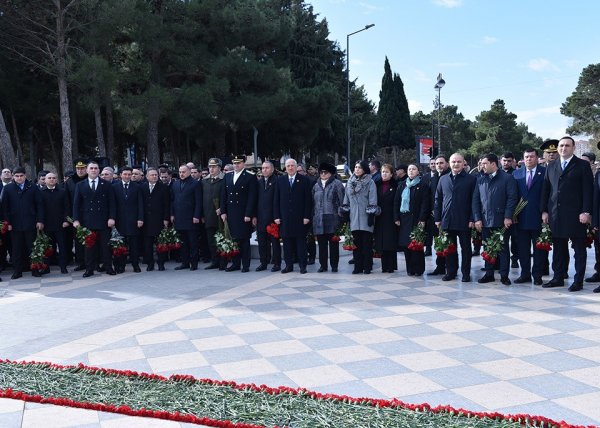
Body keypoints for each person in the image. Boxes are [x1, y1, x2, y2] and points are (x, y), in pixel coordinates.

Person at [542, 136, 593, 292]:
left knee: (579, 250)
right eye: (561, 146)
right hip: (556, 215)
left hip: (576, 215)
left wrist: (586, 211)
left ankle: (578, 281)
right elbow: (546, 190)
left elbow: (588, 191)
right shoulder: (551, 166)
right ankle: (558, 277)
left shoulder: (582, 165)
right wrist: (544, 211)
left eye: (567, 146)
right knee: (559, 249)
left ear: (573, 148)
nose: (563, 148)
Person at [473, 153, 518, 285]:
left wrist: (508, 216)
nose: (482, 166)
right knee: (487, 248)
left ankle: (504, 275)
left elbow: (512, 198)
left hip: (501, 221)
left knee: (503, 249)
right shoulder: (480, 179)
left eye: (485, 163)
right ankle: (489, 273)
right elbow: (475, 200)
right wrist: (477, 218)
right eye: (481, 164)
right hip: (485, 221)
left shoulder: (507, 178)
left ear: (493, 164)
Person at [434, 153, 477, 282]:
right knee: (450, 248)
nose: (456, 164)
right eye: (453, 162)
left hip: (464, 221)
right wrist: (437, 218)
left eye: (459, 162)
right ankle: (451, 272)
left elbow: (474, 201)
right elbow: (438, 199)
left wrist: (472, 219)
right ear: (449, 163)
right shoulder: (443, 179)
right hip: (447, 220)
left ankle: (465, 273)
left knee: (466, 249)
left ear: (463, 163)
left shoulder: (471, 179)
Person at [72, 162, 116, 278]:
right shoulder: (80, 185)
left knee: (105, 246)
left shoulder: (106, 184)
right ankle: (89, 269)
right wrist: (76, 220)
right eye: (91, 168)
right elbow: (76, 205)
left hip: (103, 220)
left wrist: (112, 218)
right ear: (87, 170)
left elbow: (112, 203)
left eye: (96, 168)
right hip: (87, 221)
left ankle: (108, 267)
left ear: (98, 170)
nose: (93, 170)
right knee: (89, 247)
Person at [1, 166, 44, 279]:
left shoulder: (33, 187)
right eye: (17, 176)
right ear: (13, 177)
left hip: (31, 223)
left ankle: (35, 269)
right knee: (16, 249)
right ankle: (17, 271)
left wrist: (40, 220)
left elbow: (39, 205)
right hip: (14, 225)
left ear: (25, 176)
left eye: (21, 176)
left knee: (32, 247)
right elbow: (5, 207)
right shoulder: (8, 188)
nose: (19, 178)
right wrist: (8, 223)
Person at [513, 148, 546, 285]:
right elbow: (512, 196)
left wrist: (545, 211)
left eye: (532, 156)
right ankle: (524, 274)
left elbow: (547, 194)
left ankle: (537, 275)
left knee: (539, 249)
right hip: (520, 218)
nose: (529, 159)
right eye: (526, 157)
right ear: (523, 158)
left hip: (538, 217)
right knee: (522, 249)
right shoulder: (516, 174)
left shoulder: (544, 172)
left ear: (537, 158)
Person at [274, 158, 312, 274]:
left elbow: (308, 200)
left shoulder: (304, 180)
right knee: (287, 244)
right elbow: (276, 200)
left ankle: (302, 266)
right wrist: (276, 216)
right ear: (285, 168)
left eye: (292, 165)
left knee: (300, 243)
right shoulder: (280, 180)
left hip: (300, 218)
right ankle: (288, 266)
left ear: (296, 167)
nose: (290, 168)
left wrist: (307, 216)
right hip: (285, 218)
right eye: (288, 166)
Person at [220, 155, 256, 272]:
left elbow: (252, 197)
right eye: (235, 163)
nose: (236, 165)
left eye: (239, 163)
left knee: (244, 240)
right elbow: (223, 195)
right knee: (234, 239)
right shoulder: (228, 176)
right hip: (231, 212)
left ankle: (245, 265)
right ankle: (235, 263)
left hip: (243, 213)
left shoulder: (250, 177)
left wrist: (248, 214)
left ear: (243, 164)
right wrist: (223, 211)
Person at [341, 160, 378, 274]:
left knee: (366, 244)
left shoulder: (370, 182)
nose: (357, 169)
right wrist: (345, 212)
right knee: (356, 244)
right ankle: (357, 266)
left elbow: (372, 199)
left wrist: (371, 214)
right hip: (353, 218)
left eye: (359, 167)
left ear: (364, 169)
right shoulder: (349, 182)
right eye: (356, 167)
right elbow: (346, 199)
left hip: (365, 217)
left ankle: (367, 266)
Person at [394, 164, 429, 276]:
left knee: (416, 245)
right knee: (406, 245)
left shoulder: (422, 185)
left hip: (416, 219)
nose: (411, 171)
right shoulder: (402, 185)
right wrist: (396, 217)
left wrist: (422, 219)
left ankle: (418, 269)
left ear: (418, 172)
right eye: (409, 169)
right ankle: (410, 269)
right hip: (404, 219)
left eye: (413, 169)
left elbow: (425, 203)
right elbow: (396, 202)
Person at [312, 162, 344, 273]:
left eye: (326, 172)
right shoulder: (316, 185)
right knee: (321, 244)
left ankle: (334, 265)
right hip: (319, 219)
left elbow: (342, 201)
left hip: (333, 218)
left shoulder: (337, 184)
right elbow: (313, 202)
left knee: (334, 244)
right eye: (321, 172)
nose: (323, 174)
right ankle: (323, 265)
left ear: (331, 173)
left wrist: (341, 215)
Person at [171, 164, 203, 271]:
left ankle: (194, 263)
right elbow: (173, 201)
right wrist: (172, 214)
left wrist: (197, 215)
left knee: (192, 242)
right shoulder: (175, 184)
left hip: (191, 218)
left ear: (189, 172)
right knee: (183, 242)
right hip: (179, 217)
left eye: (183, 172)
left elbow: (198, 202)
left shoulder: (195, 184)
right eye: (180, 172)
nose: (181, 174)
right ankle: (184, 262)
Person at [113, 167, 144, 273]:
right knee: (120, 244)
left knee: (134, 245)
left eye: (129, 174)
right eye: (125, 174)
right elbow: (113, 205)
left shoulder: (137, 187)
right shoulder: (114, 187)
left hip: (133, 220)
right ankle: (121, 265)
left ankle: (135, 265)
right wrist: (112, 219)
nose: (127, 176)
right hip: (119, 221)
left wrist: (140, 218)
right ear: (120, 175)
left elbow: (140, 204)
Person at [141, 167, 170, 271]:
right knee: (147, 244)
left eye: (156, 175)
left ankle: (161, 263)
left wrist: (166, 219)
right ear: (147, 177)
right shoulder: (142, 187)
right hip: (146, 221)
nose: (154, 177)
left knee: (160, 242)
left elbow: (167, 205)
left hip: (159, 219)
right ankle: (150, 263)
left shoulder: (163, 187)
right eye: (152, 175)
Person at [41, 172, 70, 274]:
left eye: (54, 178)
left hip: (60, 225)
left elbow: (67, 207)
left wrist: (66, 220)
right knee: (47, 247)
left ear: (57, 180)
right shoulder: (40, 192)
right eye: (49, 178)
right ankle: (46, 267)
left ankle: (63, 267)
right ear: (45, 180)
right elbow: (38, 209)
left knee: (62, 247)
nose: (52, 180)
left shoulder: (62, 191)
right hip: (46, 225)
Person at [255, 161, 281, 272]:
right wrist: (254, 216)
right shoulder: (259, 182)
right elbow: (255, 200)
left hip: (273, 218)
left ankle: (277, 263)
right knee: (262, 242)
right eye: (263, 168)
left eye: (266, 168)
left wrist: (277, 217)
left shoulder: (278, 181)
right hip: (261, 218)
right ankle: (263, 262)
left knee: (275, 243)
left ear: (272, 169)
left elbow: (279, 201)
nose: (264, 170)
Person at [202, 158, 226, 270]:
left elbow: (226, 197)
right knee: (211, 240)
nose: (211, 169)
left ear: (219, 168)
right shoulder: (204, 181)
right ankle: (214, 260)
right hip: (208, 215)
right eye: (210, 167)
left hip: (220, 215)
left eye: (214, 167)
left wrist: (223, 208)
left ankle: (223, 261)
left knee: (221, 239)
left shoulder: (224, 179)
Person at [374, 164, 398, 273]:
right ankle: (384, 266)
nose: (384, 174)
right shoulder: (376, 185)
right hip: (379, 217)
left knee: (390, 242)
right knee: (382, 242)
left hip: (391, 217)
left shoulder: (396, 185)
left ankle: (391, 266)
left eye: (387, 172)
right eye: (383, 172)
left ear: (391, 174)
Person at [428, 155, 450, 275]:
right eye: (436, 164)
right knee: (438, 243)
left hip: (447, 216)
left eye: (441, 163)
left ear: (446, 164)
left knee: (448, 242)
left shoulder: (449, 177)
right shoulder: (433, 177)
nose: (439, 166)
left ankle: (449, 267)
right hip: (435, 217)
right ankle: (440, 266)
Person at [65, 159, 88, 270]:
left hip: (90, 215)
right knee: (79, 240)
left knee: (91, 238)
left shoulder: (91, 179)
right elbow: (66, 201)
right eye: (78, 168)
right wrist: (69, 218)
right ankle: (81, 262)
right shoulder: (69, 182)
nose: (80, 170)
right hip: (76, 216)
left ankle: (93, 260)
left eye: (82, 168)